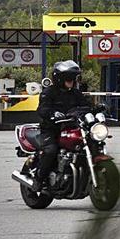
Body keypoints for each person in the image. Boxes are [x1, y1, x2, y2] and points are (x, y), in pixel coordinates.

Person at [35, 60, 91, 192]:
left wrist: (98, 109)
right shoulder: (49, 92)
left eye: (73, 77)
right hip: (51, 130)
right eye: (68, 77)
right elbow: (42, 109)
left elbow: (86, 106)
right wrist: (53, 113)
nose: (71, 80)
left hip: (72, 127)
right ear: (59, 78)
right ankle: (38, 180)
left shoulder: (76, 93)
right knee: (51, 150)